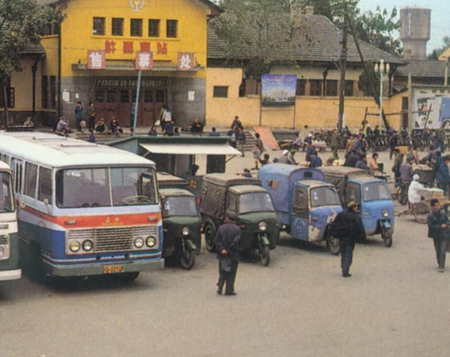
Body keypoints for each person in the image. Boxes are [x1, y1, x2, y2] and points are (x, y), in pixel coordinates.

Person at [332, 201, 365, 277]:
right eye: (355, 206)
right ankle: (345, 271)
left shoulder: (341, 215)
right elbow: (360, 228)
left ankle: (343, 266)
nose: (357, 208)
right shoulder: (356, 217)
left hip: (342, 239)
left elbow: (334, 225)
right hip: (350, 240)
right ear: (352, 208)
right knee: (348, 254)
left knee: (343, 253)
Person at [216, 213, 241, 295]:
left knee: (223, 270)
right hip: (233, 254)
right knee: (232, 272)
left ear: (227, 218)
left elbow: (217, 240)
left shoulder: (221, 228)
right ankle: (229, 290)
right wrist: (229, 249)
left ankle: (220, 286)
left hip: (222, 254)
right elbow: (236, 241)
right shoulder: (237, 229)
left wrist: (222, 249)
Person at [427, 199, 450, 272]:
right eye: (436, 205)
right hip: (436, 235)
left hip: (444, 234)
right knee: (438, 250)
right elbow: (430, 226)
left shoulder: (443, 213)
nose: (437, 207)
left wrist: (446, 225)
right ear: (432, 207)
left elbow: (447, 221)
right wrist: (440, 226)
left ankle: (441, 265)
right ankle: (439, 262)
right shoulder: (430, 216)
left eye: (438, 205)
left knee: (443, 250)